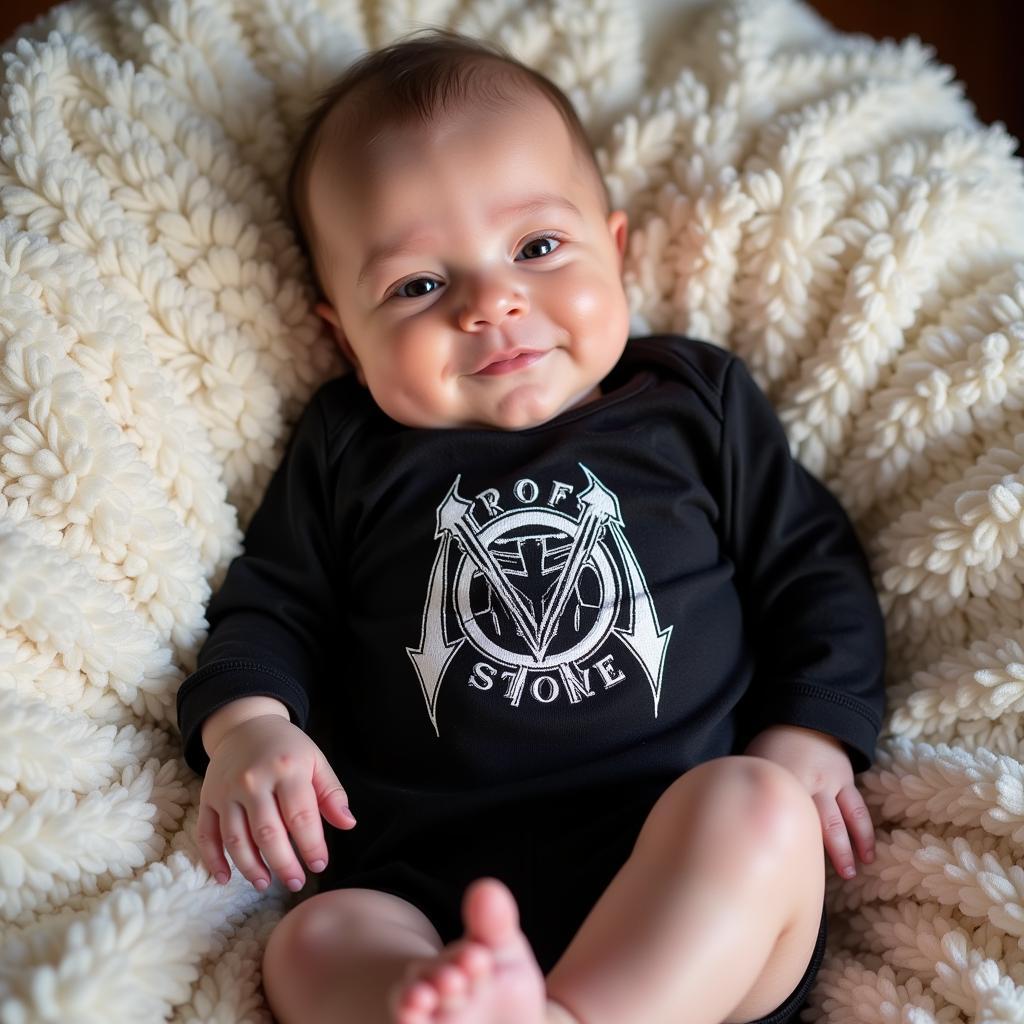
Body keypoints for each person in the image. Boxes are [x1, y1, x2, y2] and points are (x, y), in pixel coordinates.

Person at [175, 27, 887, 1024]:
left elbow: (811, 567)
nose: (492, 301)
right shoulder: (347, 447)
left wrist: (811, 731)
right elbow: (270, 606)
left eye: (537, 248)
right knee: (312, 940)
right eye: (417, 285)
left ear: (617, 247)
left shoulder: (692, 404)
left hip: (679, 883)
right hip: (428, 890)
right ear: (341, 331)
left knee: (761, 807)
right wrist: (249, 730)